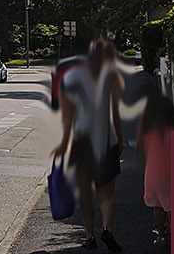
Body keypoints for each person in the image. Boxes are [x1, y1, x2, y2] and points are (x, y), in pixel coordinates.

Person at [51, 38, 125, 251]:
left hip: (81, 142)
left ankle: (90, 237)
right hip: (107, 141)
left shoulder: (72, 77)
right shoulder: (111, 77)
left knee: (85, 193)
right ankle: (107, 229)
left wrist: (64, 143)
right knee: (107, 194)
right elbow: (116, 114)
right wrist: (119, 140)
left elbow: (68, 115)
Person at [138, 85, 174, 247]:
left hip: (153, 172)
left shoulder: (149, 131)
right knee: (172, 205)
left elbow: (142, 149)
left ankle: (161, 236)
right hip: (170, 170)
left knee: (157, 205)